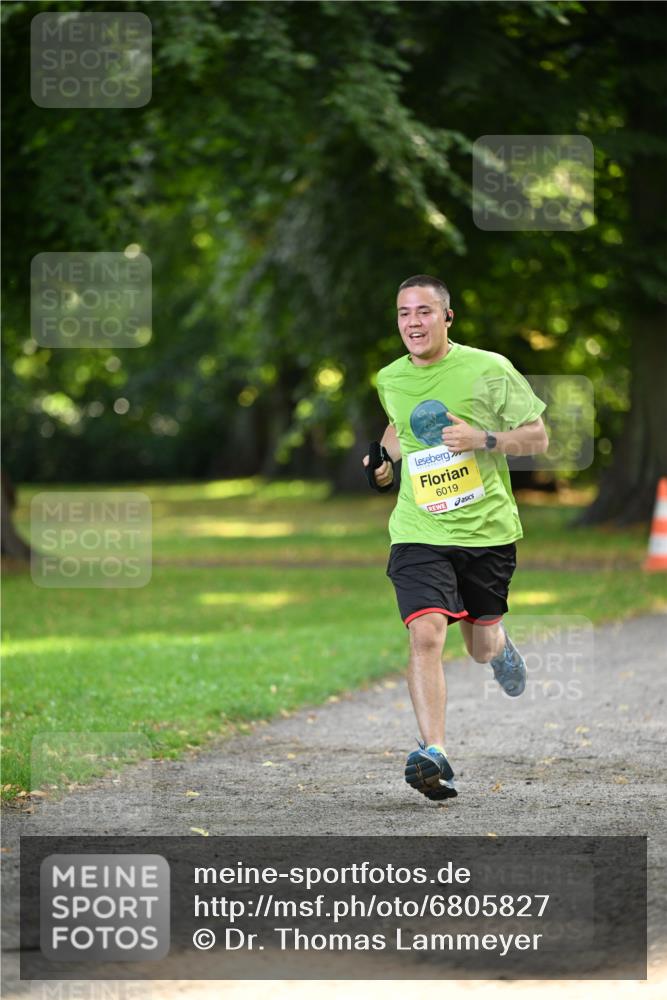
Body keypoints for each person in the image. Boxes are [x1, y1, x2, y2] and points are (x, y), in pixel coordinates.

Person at [363, 275, 548, 802]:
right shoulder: (390, 377)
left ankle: (500, 646)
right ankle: (434, 753)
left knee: (480, 645)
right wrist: (382, 462)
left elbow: (537, 435)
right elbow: (398, 427)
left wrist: (482, 439)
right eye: (403, 313)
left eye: (424, 312)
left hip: (487, 531)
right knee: (425, 634)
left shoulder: (488, 368)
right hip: (419, 530)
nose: (412, 322)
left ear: (447, 317)